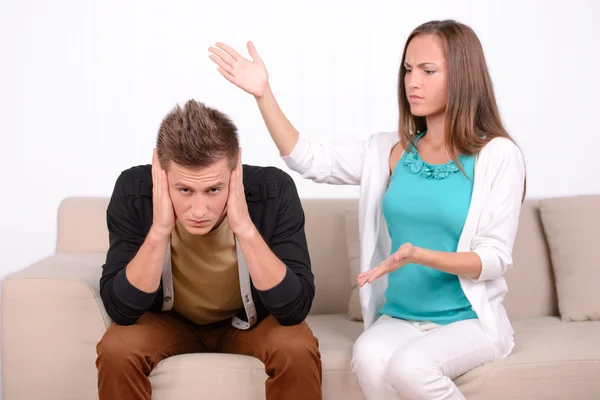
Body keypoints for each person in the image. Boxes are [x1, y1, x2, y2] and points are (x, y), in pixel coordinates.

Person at [209, 19, 526, 400]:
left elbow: (494, 258)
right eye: (408, 70)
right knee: (369, 355)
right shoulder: (387, 152)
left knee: (412, 368)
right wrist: (263, 94)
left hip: (470, 322)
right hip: (401, 318)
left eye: (428, 71)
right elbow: (309, 158)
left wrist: (418, 254)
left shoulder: (498, 156)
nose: (412, 82)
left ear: (462, 77)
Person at [96, 99, 321, 400]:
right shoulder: (133, 190)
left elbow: (294, 308)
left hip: (249, 324)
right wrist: (161, 229)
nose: (199, 210)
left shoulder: (274, 190)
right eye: (184, 190)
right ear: (161, 174)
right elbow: (121, 309)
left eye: (213, 190)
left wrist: (244, 228)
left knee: (296, 346)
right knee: (117, 347)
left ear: (234, 169)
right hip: (170, 321)